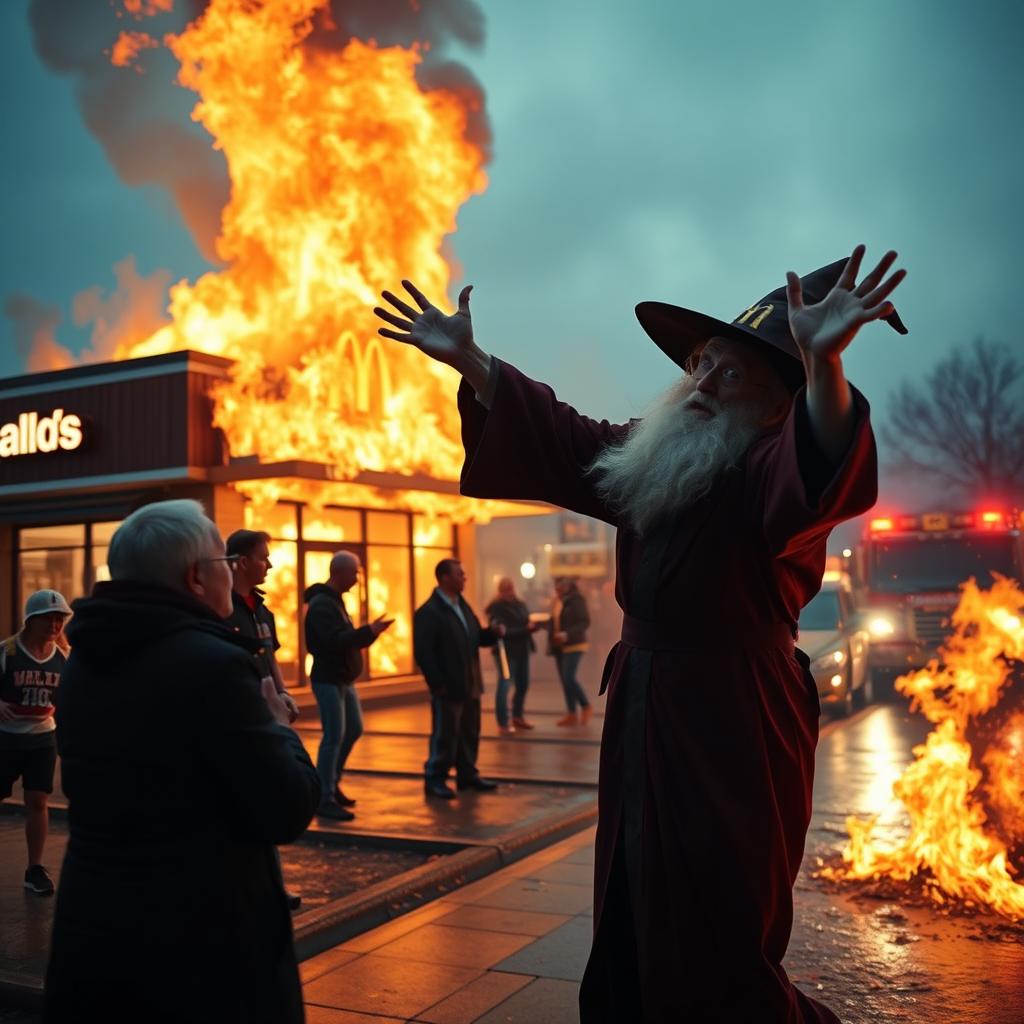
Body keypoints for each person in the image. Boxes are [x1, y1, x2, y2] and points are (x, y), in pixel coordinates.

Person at [375, 245, 906, 1022]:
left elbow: (820, 467)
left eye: (729, 374)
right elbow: (558, 436)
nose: (701, 382)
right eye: (699, 363)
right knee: (632, 891)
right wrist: (474, 362)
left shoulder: (766, 471)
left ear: (772, 407)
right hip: (643, 715)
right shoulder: (654, 461)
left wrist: (824, 368)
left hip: (734, 722)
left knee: (722, 916)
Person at [45, 500, 320, 1024]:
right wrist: (280, 728)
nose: (232, 574)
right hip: (202, 948)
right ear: (196, 578)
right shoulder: (212, 666)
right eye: (224, 564)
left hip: (96, 930)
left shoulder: (84, 662)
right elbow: (288, 806)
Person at [225, 527, 303, 910]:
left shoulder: (262, 609)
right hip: (236, 720)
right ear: (241, 562)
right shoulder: (220, 606)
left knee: (263, 797)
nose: (269, 564)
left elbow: (269, 656)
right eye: (262, 557)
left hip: (264, 716)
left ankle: (271, 884)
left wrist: (284, 693)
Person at [304, 551, 392, 821]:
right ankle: (323, 796)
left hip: (343, 678)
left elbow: (343, 639)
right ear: (338, 572)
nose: (356, 578)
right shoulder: (322, 605)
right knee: (333, 737)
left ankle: (331, 782)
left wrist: (369, 633)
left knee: (353, 729)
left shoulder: (334, 602)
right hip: (329, 679)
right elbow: (333, 641)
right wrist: (369, 632)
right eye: (354, 573)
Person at [0, 589, 72, 896]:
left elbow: (69, 700)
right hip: (6, 738)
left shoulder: (63, 658)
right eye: (48, 619)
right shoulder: (7, 652)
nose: (55, 626)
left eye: (60, 620)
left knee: (37, 801)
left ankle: (35, 868)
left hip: (43, 737)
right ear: (30, 620)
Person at [414, 558, 502, 798]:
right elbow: (424, 653)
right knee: (445, 735)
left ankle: (467, 775)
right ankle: (435, 778)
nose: (464, 578)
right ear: (444, 578)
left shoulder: (461, 606)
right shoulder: (429, 612)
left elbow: (475, 637)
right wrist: (438, 684)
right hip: (448, 686)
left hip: (470, 683)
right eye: (459, 574)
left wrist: (492, 635)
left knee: (469, 732)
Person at [484, 577, 537, 734]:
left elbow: (526, 619)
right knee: (505, 684)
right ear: (500, 590)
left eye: (510, 587)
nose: (509, 591)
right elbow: (501, 631)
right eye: (505, 588)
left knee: (523, 684)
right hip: (505, 651)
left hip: (522, 649)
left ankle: (517, 716)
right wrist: (525, 630)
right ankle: (503, 721)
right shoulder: (496, 607)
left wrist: (532, 626)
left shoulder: (519, 604)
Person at [549, 576, 593, 727]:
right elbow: (554, 621)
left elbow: (584, 622)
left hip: (574, 643)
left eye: (561, 586)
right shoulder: (557, 601)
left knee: (569, 677)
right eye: (557, 586)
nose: (558, 589)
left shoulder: (576, 600)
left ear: (569, 586)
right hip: (559, 645)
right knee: (564, 680)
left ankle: (586, 706)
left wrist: (567, 634)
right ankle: (571, 713)